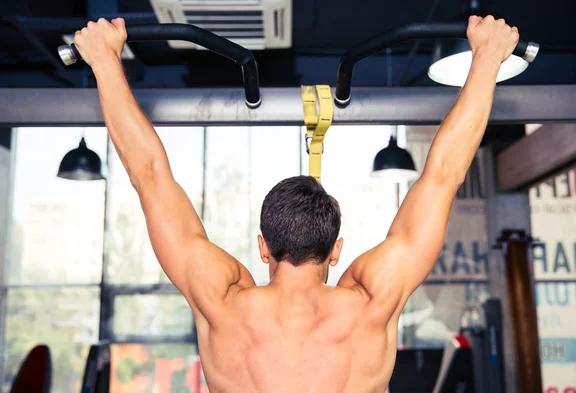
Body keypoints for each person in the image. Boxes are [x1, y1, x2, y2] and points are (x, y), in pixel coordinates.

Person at [73, 14, 518, 393]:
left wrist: (104, 60)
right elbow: (443, 175)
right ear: (337, 250)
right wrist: (487, 58)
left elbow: (149, 174)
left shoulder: (223, 303)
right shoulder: (371, 304)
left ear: (264, 246)